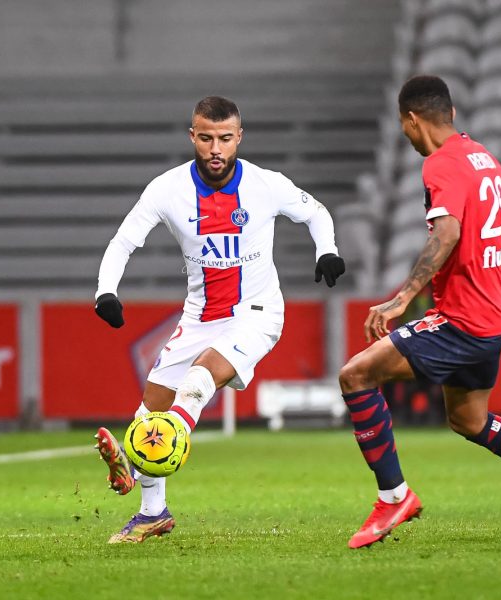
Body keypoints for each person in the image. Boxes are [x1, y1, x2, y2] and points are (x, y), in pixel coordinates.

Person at [339, 75, 501, 549]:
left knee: (356, 376)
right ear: (452, 115)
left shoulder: (440, 165)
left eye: (405, 127)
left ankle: (393, 495)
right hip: (497, 315)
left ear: (411, 120)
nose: (406, 135)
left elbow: (446, 235)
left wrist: (401, 298)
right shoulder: (481, 157)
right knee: (470, 421)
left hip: (465, 319)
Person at [92, 96, 346, 543]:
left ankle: (149, 451)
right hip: (200, 316)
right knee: (148, 408)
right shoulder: (167, 189)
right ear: (193, 136)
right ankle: (152, 512)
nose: (215, 148)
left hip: (258, 313)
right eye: (206, 137)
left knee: (201, 375)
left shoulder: (265, 185)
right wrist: (106, 291)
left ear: (239, 138)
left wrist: (328, 250)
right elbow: (123, 241)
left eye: (225, 139)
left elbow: (316, 212)